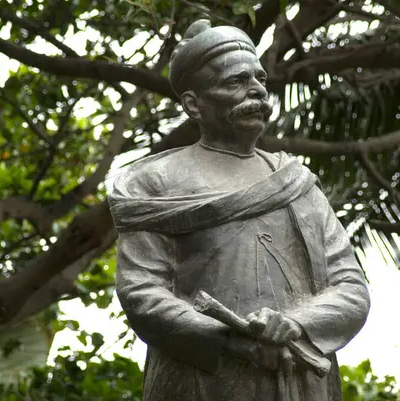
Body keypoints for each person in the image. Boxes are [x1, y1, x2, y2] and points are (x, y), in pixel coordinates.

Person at [108, 19, 371, 401]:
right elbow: (141, 291)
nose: (257, 92)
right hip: (201, 382)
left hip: (301, 380)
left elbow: (350, 287)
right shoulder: (157, 182)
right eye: (235, 82)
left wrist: (297, 323)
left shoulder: (296, 183)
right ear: (193, 104)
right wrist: (229, 340)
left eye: (259, 79)